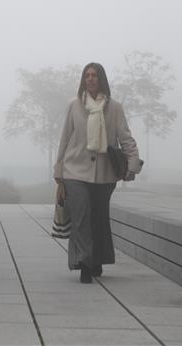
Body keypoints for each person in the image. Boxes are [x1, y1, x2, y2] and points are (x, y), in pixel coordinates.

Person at [54, 62, 141, 283]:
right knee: (82, 216)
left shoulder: (115, 108)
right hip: (75, 171)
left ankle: (97, 259)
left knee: (99, 218)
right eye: (87, 75)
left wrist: (132, 164)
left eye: (94, 75)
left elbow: (126, 138)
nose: (91, 79)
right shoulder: (73, 105)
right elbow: (64, 138)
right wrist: (59, 168)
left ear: (101, 79)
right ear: (83, 80)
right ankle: (84, 263)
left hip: (104, 174)